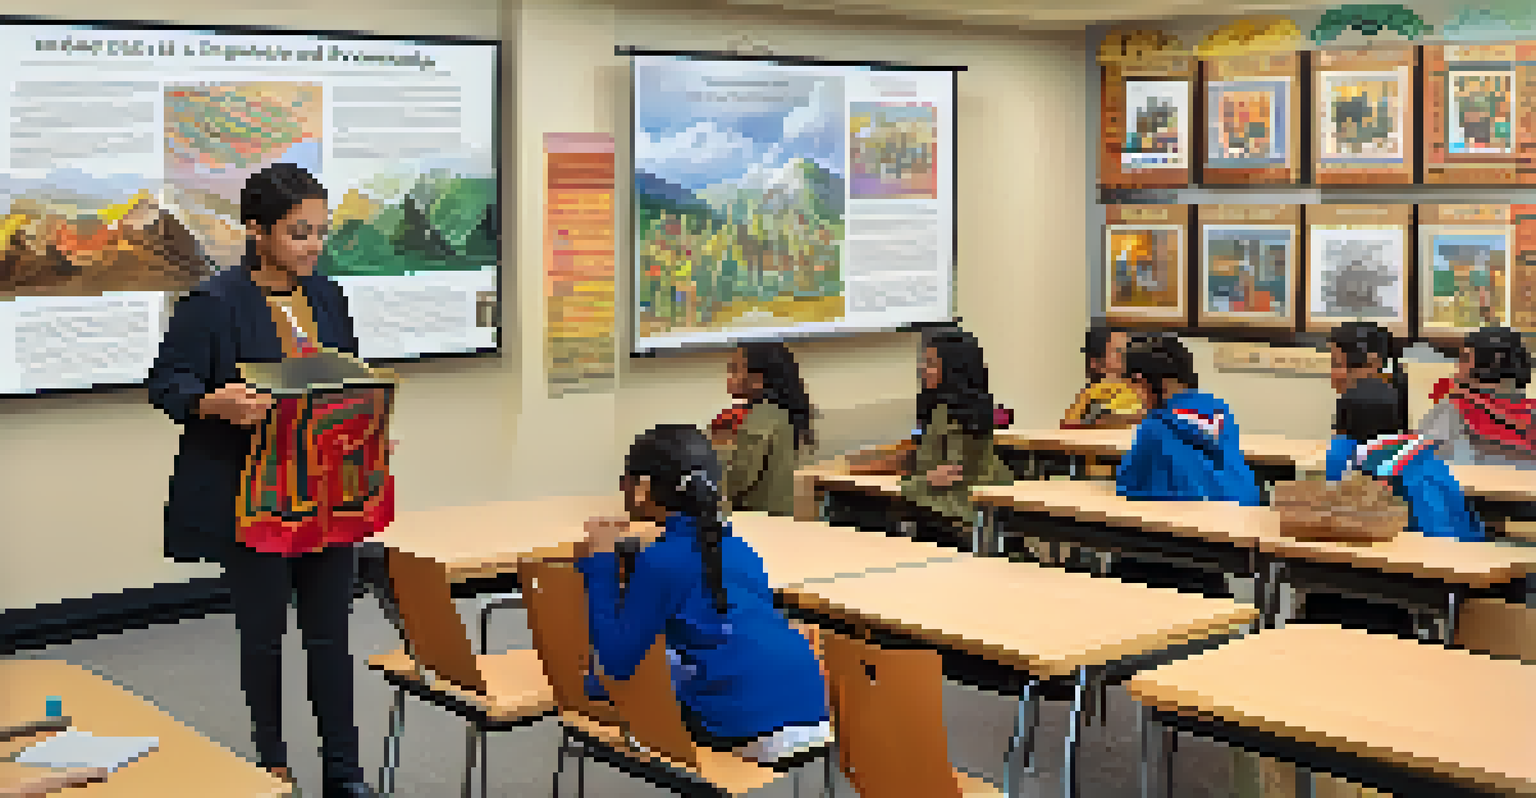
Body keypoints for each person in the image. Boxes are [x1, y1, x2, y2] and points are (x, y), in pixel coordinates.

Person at [146, 163, 380, 798]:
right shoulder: (212, 304)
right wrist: (210, 403)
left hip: (328, 495)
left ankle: (344, 772)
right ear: (257, 230)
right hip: (253, 499)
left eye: (320, 232)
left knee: (332, 636)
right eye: (299, 232)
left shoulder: (329, 296)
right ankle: (271, 765)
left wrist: (364, 420)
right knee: (267, 639)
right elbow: (167, 385)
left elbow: (346, 378)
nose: (313, 245)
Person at [576, 425, 832, 766]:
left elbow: (616, 665)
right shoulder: (741, 549)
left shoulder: (662, 561)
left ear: (641, 490)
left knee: (642, 676)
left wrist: (601, 564)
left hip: (748, 725)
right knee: (685, 657)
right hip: (814, 711)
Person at [1324, 378, 1485, 541]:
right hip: (1465, 542)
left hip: (1424, 549)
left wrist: (1340, 440)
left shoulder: (1351, 457)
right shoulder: (1425, 454)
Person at [1116, 333, 1260, 506]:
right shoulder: (1219, 410)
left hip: (1197, 524)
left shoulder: (1154, 427)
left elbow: (1127, 487)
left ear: (1141, 382)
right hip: (1243, 510)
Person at [712, 341, 816, 516]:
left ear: (758, 380)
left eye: (734, 370)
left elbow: (739, 479)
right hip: (778, 516)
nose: (728, 377)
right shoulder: (781, 411)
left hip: (756, 520)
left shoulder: (762, 417)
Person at [1418, 326, 1536, 469]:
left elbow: (1421, 460)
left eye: (1465, 357)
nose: (1457, 365)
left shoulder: (1453, 409)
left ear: (1490, 364)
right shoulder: (1531, 411)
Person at [1061, 324, 1144, 429]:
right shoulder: (1090, 396)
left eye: (1128, 348)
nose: (1126, 354)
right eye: (1118, 350)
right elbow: (1068, 428)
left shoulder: (1141, 388)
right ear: (1095, 361)